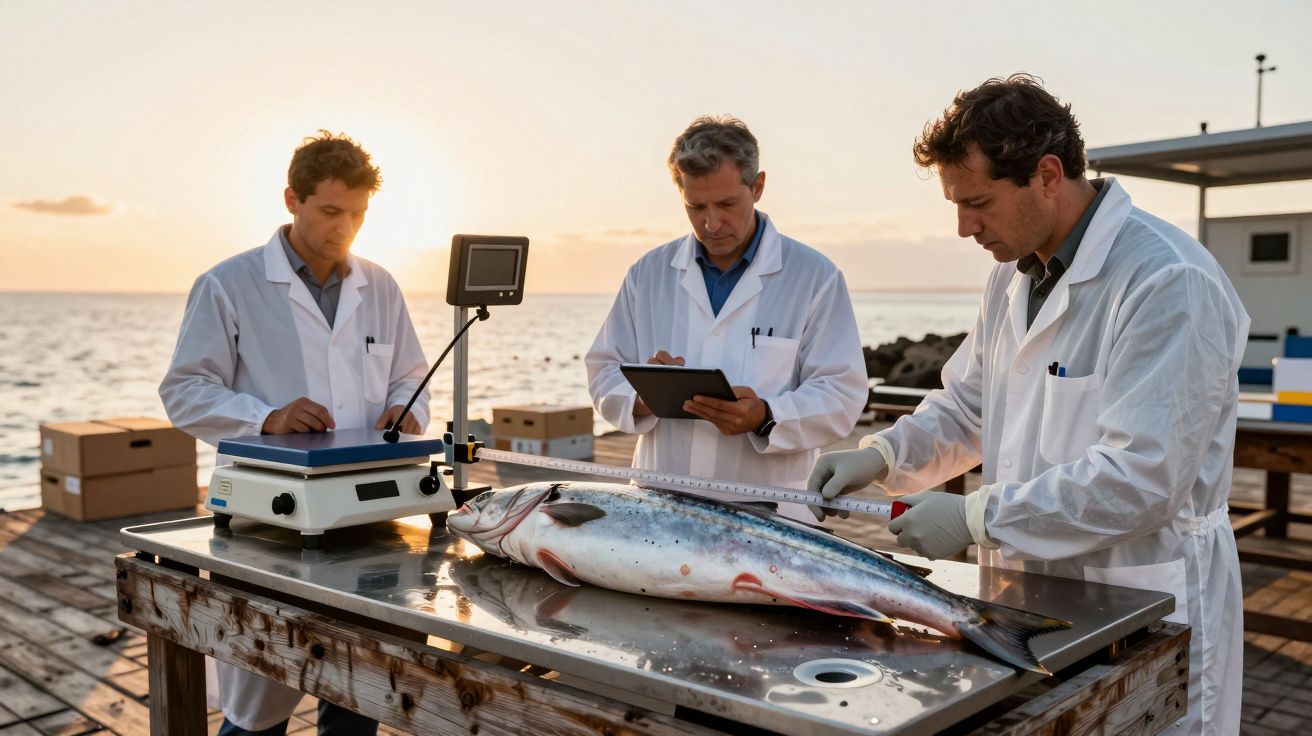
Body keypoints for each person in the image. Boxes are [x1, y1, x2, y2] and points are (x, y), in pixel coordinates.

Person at [809, 75, 1246, 734]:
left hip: (1143, 595)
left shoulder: (1167, 280)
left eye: (977, 202)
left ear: (1047, 175)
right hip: (1028, 596)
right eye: (956, 205)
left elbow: (1143, 479)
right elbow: (969, 407)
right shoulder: (1011, 277)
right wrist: (882, 455)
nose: (964, 228)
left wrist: (976, 516)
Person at [160, 131, 429, 735]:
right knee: (257, 710)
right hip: (267, 527)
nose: (345, 228)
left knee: (359, 696)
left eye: (358, 214)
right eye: (330, 211)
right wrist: (267, 418)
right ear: (292, 199)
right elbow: (183, 391)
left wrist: (403, 408)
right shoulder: (228, 284)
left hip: (369, 519)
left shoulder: (380, 285)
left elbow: (410, 373)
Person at [587, 116, 867, 520]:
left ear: (758, 186)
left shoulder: (815, 277)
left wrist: (766, 416)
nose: (711, 223)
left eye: (726, 204)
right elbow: (602, 370)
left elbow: (842, 393)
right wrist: (642, 397)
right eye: (695, 207)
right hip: (660, 509)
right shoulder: (647, 274)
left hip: (772, 515)